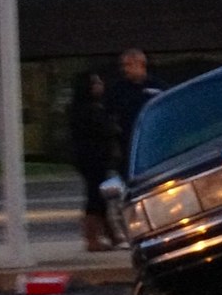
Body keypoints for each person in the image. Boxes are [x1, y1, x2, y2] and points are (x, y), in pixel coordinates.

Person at [68, 71, 120, 251]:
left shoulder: (94, 107)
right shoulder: (87, 110)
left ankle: (110, 233)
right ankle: (92, 237)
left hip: (98, 157)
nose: (100, 86)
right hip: (92, 158)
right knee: (95, 195)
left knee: (101, 195)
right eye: (96, 83)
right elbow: (103, 130)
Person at [105, 48, 166, 176]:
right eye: (123, 65)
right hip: (128, 144)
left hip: (155, 142)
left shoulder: (158, 86)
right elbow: (110, 116)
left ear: (141, 64)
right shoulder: (117, 90)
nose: (124, 69)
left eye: (128, 65)